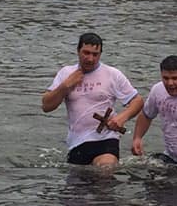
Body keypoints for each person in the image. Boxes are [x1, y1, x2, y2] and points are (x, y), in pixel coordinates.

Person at [42, 33, 144, 167]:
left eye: (95, 54)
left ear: (100, 54)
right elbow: (46, 106)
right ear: (78, 51)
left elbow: (137, 101)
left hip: (106, 139)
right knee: (78, 185)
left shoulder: (112, 74)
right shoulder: (66, 73)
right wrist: (65, 86)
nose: (90, 59)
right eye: (86, 53)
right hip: (77, 142)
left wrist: (121, 118)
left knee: (105, 169)